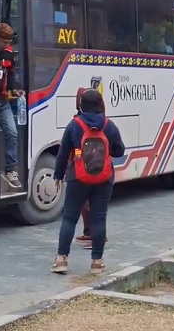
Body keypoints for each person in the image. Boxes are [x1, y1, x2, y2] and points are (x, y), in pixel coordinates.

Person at [51, 89, 125, 275]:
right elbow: (119, 151)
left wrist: (58, 176)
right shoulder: (109, 125)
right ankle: (97, 263)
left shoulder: (74, 125)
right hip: (104, 178)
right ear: (100, 105)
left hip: (78, 177)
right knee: (99, 219)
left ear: (81, 105)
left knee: (69, 217)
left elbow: (62, 154)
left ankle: (61, 260)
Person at [72, 87, 108, 250]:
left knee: (93, 207)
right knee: (87, 204)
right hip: (95, 167)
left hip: (90, 167)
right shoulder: (102, 121)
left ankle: (97, 238)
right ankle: (89, 232)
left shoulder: (80, 123)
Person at [0, 22, 22, 189]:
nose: (8, 46)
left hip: (2, 100)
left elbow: (10, 73)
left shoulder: (8, 54)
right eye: (4, 42)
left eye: (9, 43)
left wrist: (14, 89)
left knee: (12, 132)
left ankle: (10, 170)